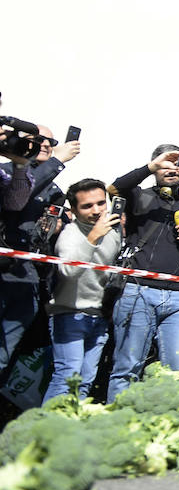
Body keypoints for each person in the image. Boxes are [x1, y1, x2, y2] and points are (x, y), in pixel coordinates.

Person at [106, 145, 179, 401]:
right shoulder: (141, 198)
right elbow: (115, 188)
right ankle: (115, 423)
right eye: (165, 164)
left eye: (177, 163)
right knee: (127, 368)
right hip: (138, 290)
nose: (171, 169)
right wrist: (150, 167)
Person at [1, 125, 80, 380]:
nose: (46, 144)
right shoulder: (5, 171)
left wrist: (58, 226)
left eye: (51, 141)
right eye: (38, 139)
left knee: (5, 358)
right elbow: (16, 199)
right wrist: (58, 161)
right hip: (4, 274)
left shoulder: (53, 189)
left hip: (28, 280)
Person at [42, 178, 121, 402]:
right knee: (67, 378)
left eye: (100, 203)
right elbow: (68, 271)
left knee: (85, 381)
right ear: (74, 210)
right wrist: (93, 237)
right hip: (69, 314)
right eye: (87, 206)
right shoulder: (70, 234)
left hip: (99, 318)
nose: (96, 211)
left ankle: (69, 429)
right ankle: (43, 433)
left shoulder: (114, 232)